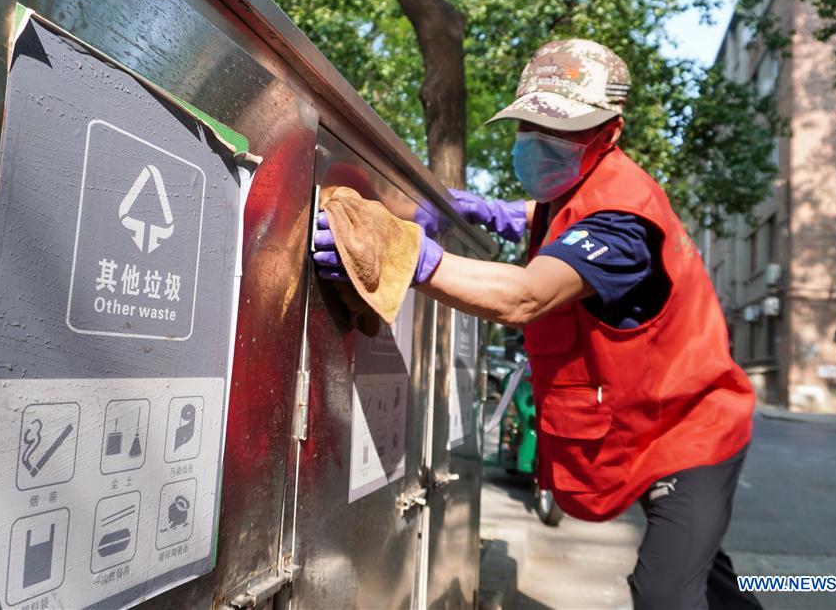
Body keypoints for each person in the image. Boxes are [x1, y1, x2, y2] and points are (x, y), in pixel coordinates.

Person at [314, 39, 762, 610]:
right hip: (639, 422)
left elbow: (526, 297)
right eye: (530, 123)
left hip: (692, 429)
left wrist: (411, 259)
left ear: (610, 133)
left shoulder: (626, 222)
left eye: (564, 129)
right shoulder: (575, 189)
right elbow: (558, 215)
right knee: (702, 573)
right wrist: (491, 210)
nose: (540, 142)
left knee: (664, 595)